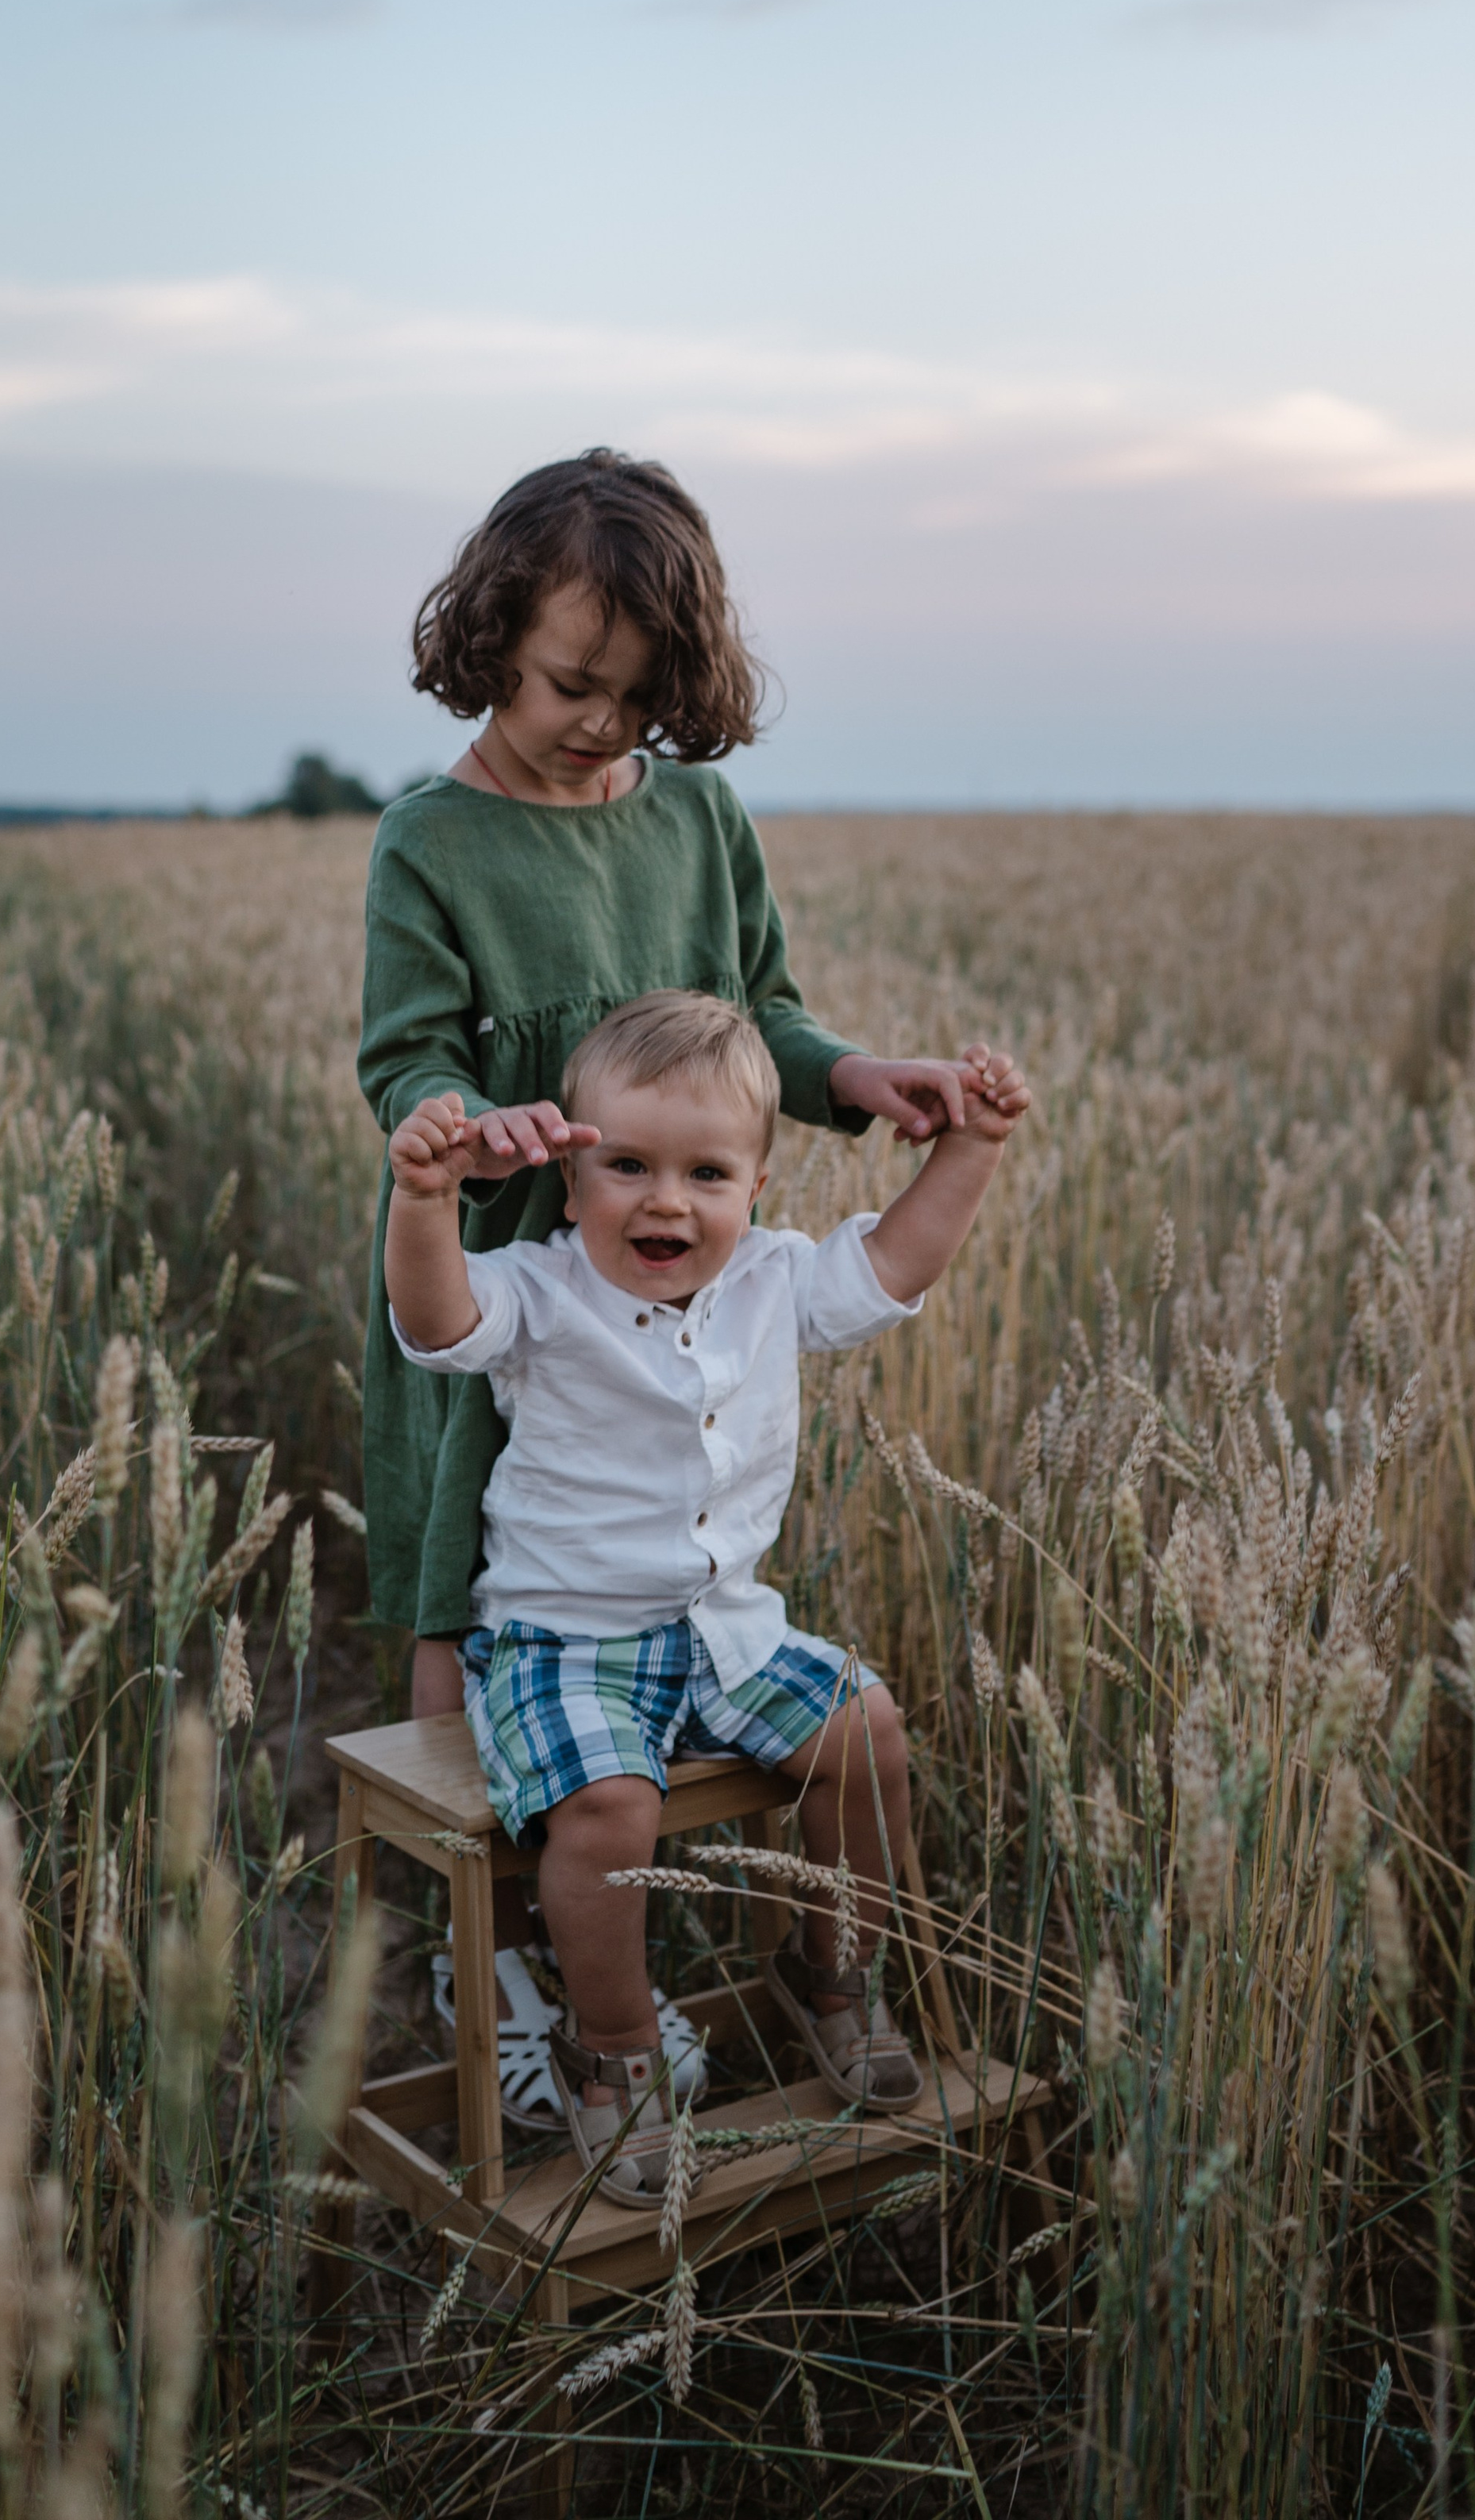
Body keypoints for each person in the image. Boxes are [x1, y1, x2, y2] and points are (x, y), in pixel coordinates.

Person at [355, 449, 1009, 2116]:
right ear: (489, 635)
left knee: (646, 1559)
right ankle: (489, 1961)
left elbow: (762, 1021)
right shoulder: (430, 841)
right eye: (573, 683)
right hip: (495, 1257)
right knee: (464, 1588)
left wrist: (860, 1078)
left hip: (678, 1269)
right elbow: (404, 1060)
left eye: (638, 698)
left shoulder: (696, 817)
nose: (598, 724)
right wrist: (463, 1128)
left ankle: (753, 1959)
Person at [383, 988, 1029, 2207]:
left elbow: (896, 1262)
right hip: (565, 1641)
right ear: (570, 1185)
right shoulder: (539, 1287)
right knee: (609, 1810)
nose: (665, 1201)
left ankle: (831, 1975)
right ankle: (612, 2053)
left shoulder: (777, 1280)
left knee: (868, 1731)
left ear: (758, 1190)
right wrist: (426, 1201)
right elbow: (435, 1319)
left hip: (729, 1627)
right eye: (624, 1165)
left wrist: (972, 1148)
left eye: (707, 1173)